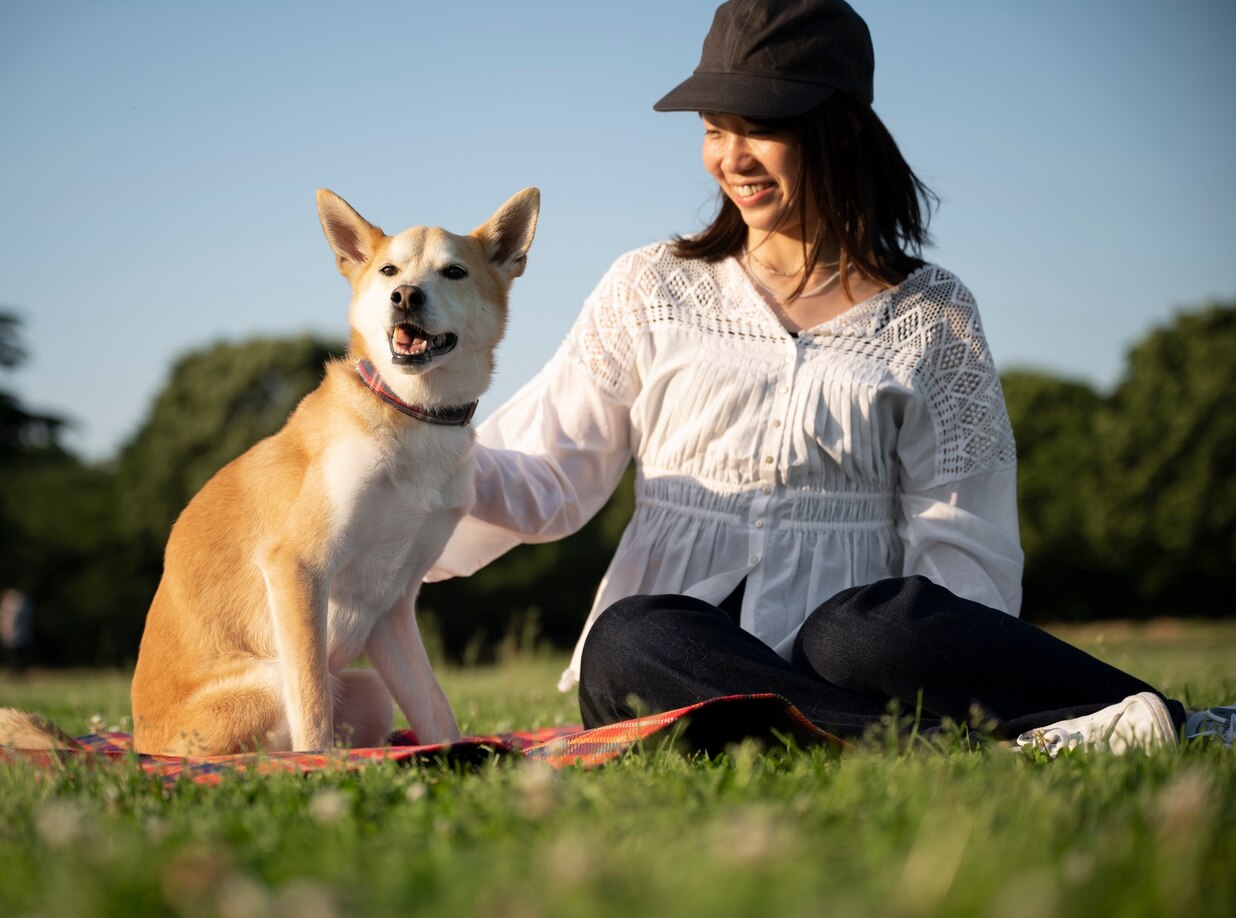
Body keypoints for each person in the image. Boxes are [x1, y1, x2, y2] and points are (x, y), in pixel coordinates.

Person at [428, 0, 1234, 753]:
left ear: (840, 131)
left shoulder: (934, 316)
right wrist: (394, 482)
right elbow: (547, 468)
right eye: (714, 129)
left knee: (865, 629)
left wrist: (950, 660)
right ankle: (1002, 745)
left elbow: (967, 541)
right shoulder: (650, 285)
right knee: (630, 639)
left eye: (760, 130)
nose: (730, 158)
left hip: (852, 656)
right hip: (687, 661)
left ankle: (1172, 721)